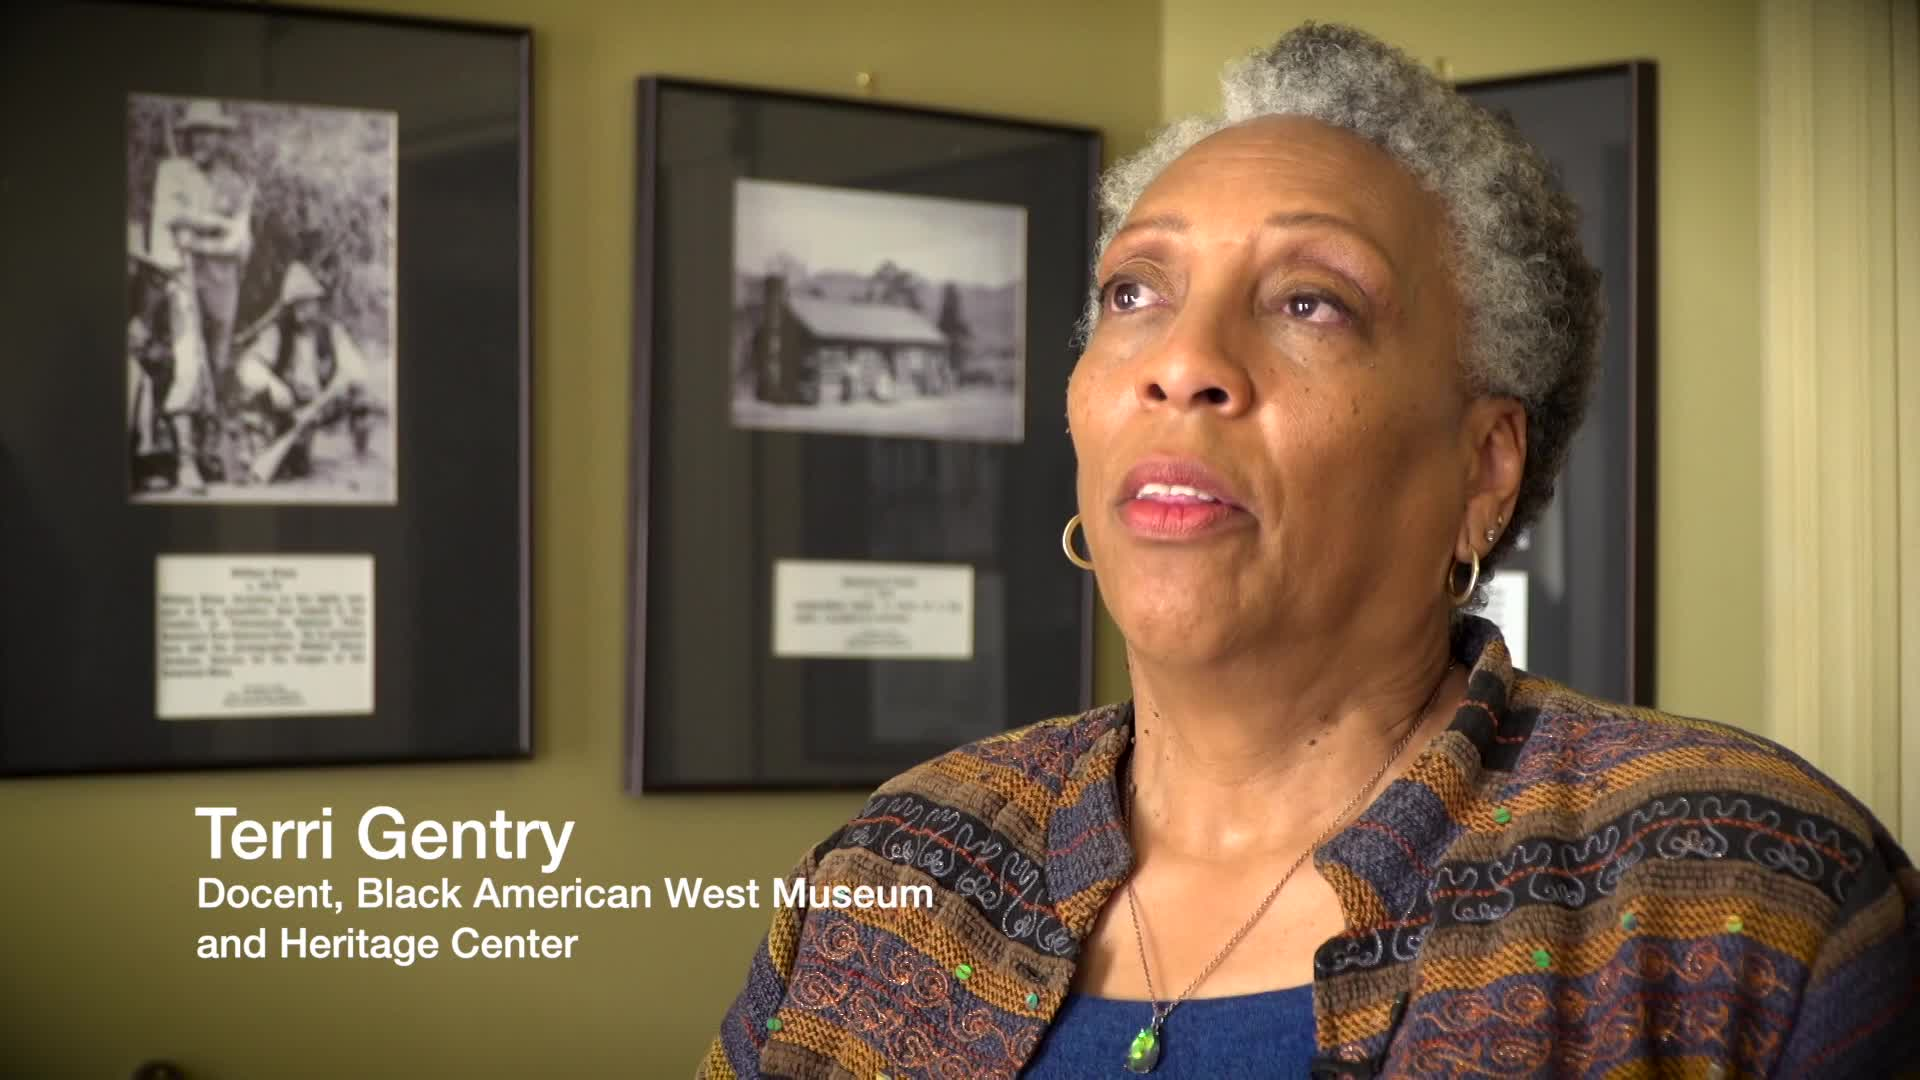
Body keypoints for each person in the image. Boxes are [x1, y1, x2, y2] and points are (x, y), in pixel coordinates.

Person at [699, 23, 1919, 1080]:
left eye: (1310, 302)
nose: (1184, 362)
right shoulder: (893, 873)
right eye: (1135, 292)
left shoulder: (1752, 900)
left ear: (1483, 467)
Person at [232, 262, 372, 482]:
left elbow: (358, 369)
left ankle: (360, 455)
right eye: (299, 305)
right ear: (290, 308)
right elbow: (247, 367)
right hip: (290, 407)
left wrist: (329, 395)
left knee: (360, 394)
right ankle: (267, 448)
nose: (305, 310)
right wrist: (272, 384)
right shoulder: (277, 334)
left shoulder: (332, 332)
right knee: (296, 468)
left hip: (324, 404)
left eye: (310, 303)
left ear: (318, 304)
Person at [149, 99, 253, 387]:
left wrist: (196, 242)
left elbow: (239, 241)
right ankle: (183, 421)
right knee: (186, 353)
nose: (200, 139)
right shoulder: (171, 171)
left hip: (222, 281)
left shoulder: (234, 183)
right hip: (182, 275)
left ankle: (212, 420)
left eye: (208, 132)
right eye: (195, 132)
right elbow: (171, 215)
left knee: (218, 353)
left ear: (220, 137)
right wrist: (220, 224)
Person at [126, 228, 210, 493]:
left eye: (163, 276)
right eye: (152, 274)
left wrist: (156, 352)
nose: (159, 282)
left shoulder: (168, 299)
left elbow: (177, 347)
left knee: (176, 378)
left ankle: (182, 462)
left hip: (157, 371)